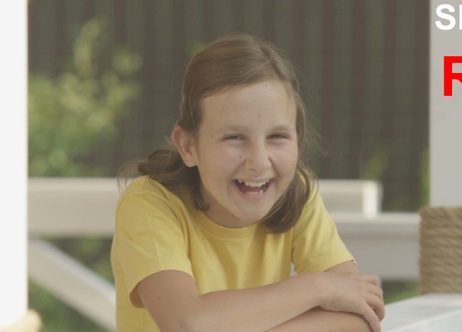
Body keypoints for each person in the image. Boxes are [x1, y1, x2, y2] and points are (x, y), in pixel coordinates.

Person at [111, 33, 385, 332]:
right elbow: (186, 323)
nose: (259, 161)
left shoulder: (297, 197)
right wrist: (317, 287)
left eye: (277, 136)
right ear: (188, 147)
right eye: (235, 138)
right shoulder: (149, 204)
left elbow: (360, 316)